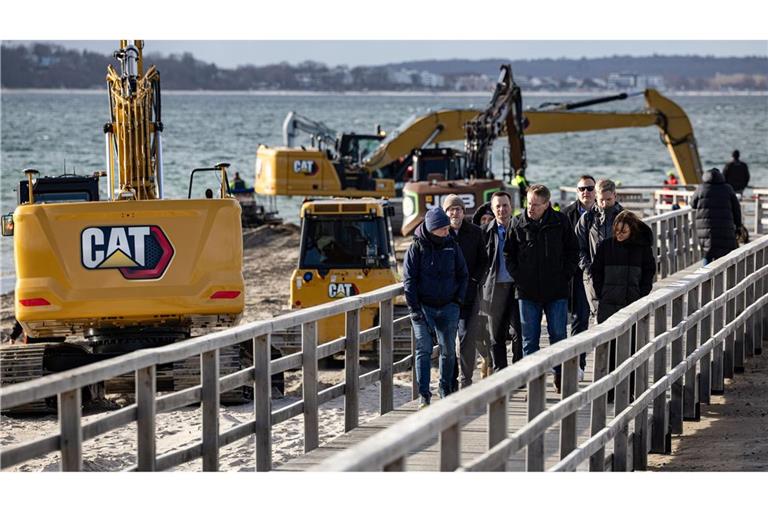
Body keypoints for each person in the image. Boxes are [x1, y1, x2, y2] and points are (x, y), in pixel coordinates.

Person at [509, 184, 579, 393]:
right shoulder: (517, 223)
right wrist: (519, 278)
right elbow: (508, 254)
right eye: (529, 203)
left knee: (558, 335)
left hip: (556, 290)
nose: (531, 208)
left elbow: (572, 251)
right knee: (529, 340)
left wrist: (564, 275)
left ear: (547, 204)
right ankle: (534, 383)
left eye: (536, 205)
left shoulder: (560, 222)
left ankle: (560, 374)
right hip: (527, 291)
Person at [403, 208, 468, 407]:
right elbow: (409, 280)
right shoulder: (416, 247)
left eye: (448, 228)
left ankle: (444, 388)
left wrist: (458, 301)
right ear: (433, 229)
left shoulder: (452, 245)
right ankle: (424, 394)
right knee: (424, 348)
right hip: (423, 308)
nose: (447, 232)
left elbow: (463, 274)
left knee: (448, 350)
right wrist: (414, 310)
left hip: (449, 307)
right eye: (444, 229)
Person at [443, 194, 488, 390]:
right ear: (446, 213)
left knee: (466, 339)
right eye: (451, 209)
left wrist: (474, 280)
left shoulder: (475, 232)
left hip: (469, 295)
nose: (455, 212)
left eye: (458, 209)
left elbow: (483, 261)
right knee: (447, 342)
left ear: (464, 212)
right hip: (446, 297)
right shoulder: (440, 233)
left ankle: (466, 381)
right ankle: (450, 381)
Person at [478, 191, 522, 372]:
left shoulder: (521, 228)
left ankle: (518, 372)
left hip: (517, 287)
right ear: (492, 209)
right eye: (498, 206)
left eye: (505, 205)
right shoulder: (484, 232)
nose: (502, 209)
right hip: (494, 288)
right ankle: (500, 373)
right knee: (496, 335)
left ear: (511, 207)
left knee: (520, 332)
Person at [591, 210, 656, 324]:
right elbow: (596, 271)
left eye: (624, 231)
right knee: (606, 339)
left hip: (633, 303)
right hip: (608, 303)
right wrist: (601, 292)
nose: (619, 234)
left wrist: (642, 293)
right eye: (616, 230)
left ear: (633, 230)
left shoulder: (643, 248)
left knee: (631, 339)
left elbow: (649, 272)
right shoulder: (605, 246)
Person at [561, 175, 596, 378]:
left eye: (590, 188)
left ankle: (592, 364)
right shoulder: (567, 215)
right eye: (582, 188)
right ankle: (577, 364)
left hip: (599, 275)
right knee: (578, 320)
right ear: (577, 191)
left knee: (596, 321)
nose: (586, 192)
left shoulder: (603, 213)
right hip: (576, 276)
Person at [576, 178, 623, 315]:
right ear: (596, 196)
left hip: (619, 277)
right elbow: (578, 247)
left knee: (621, 319)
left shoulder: (625, 218)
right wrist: (588, 268)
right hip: (594, 277)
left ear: (615, 195)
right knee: (598, 317)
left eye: (608, 199)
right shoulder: (587, 219)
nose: (604, 204)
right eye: (601, 200)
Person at [691, 167, 743, 264]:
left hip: (706, 229)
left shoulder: (701, 188)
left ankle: (706, 277)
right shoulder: (728, 189)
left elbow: (693, 204)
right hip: (725, 228)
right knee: (725, 256)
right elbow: (736, 209)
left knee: (707, 254)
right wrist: (738, 225)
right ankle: (726, 278)